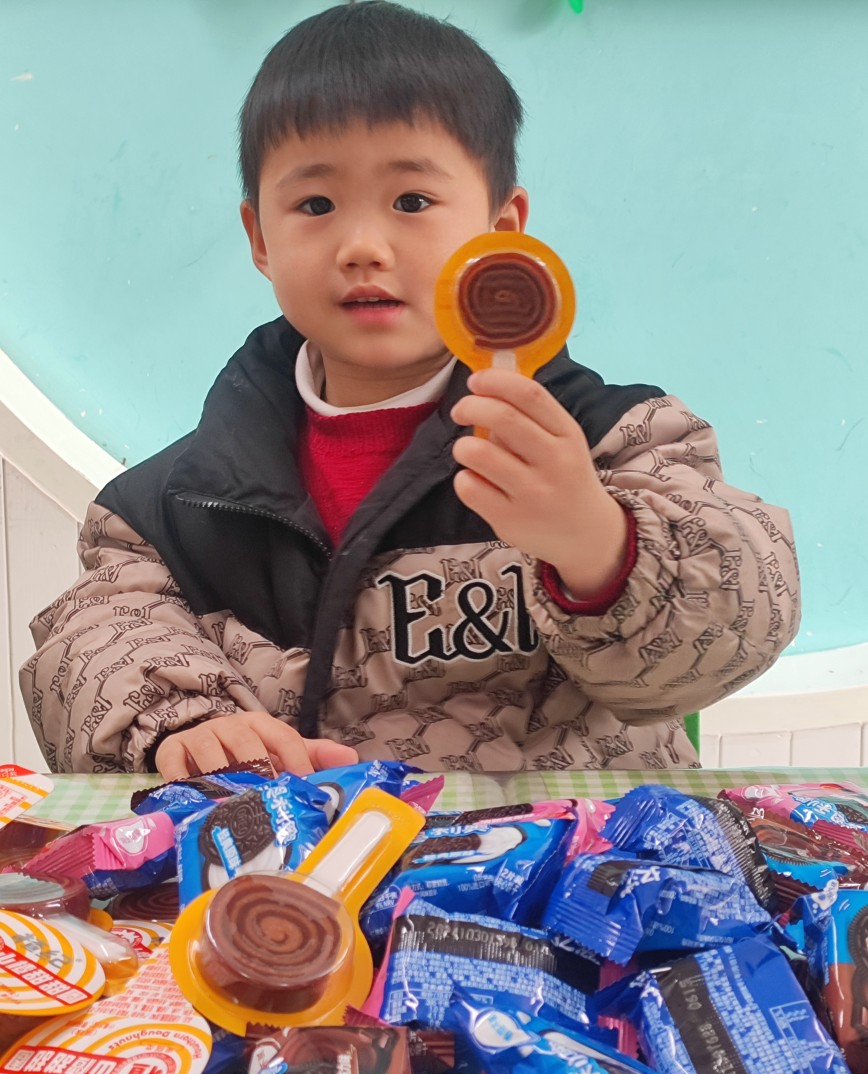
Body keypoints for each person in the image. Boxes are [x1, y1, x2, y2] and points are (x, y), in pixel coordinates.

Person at [20, 1, 799, 778]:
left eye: (412, 202)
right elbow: (96, 637)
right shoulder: (174, 506)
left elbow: (742, 609)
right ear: (260, 239)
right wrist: (180, 724)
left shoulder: (615, 440)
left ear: (502, 230)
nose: (362, 246)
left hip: (566, 851)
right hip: (298, 851)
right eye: (316, 205)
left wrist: (597, 543)